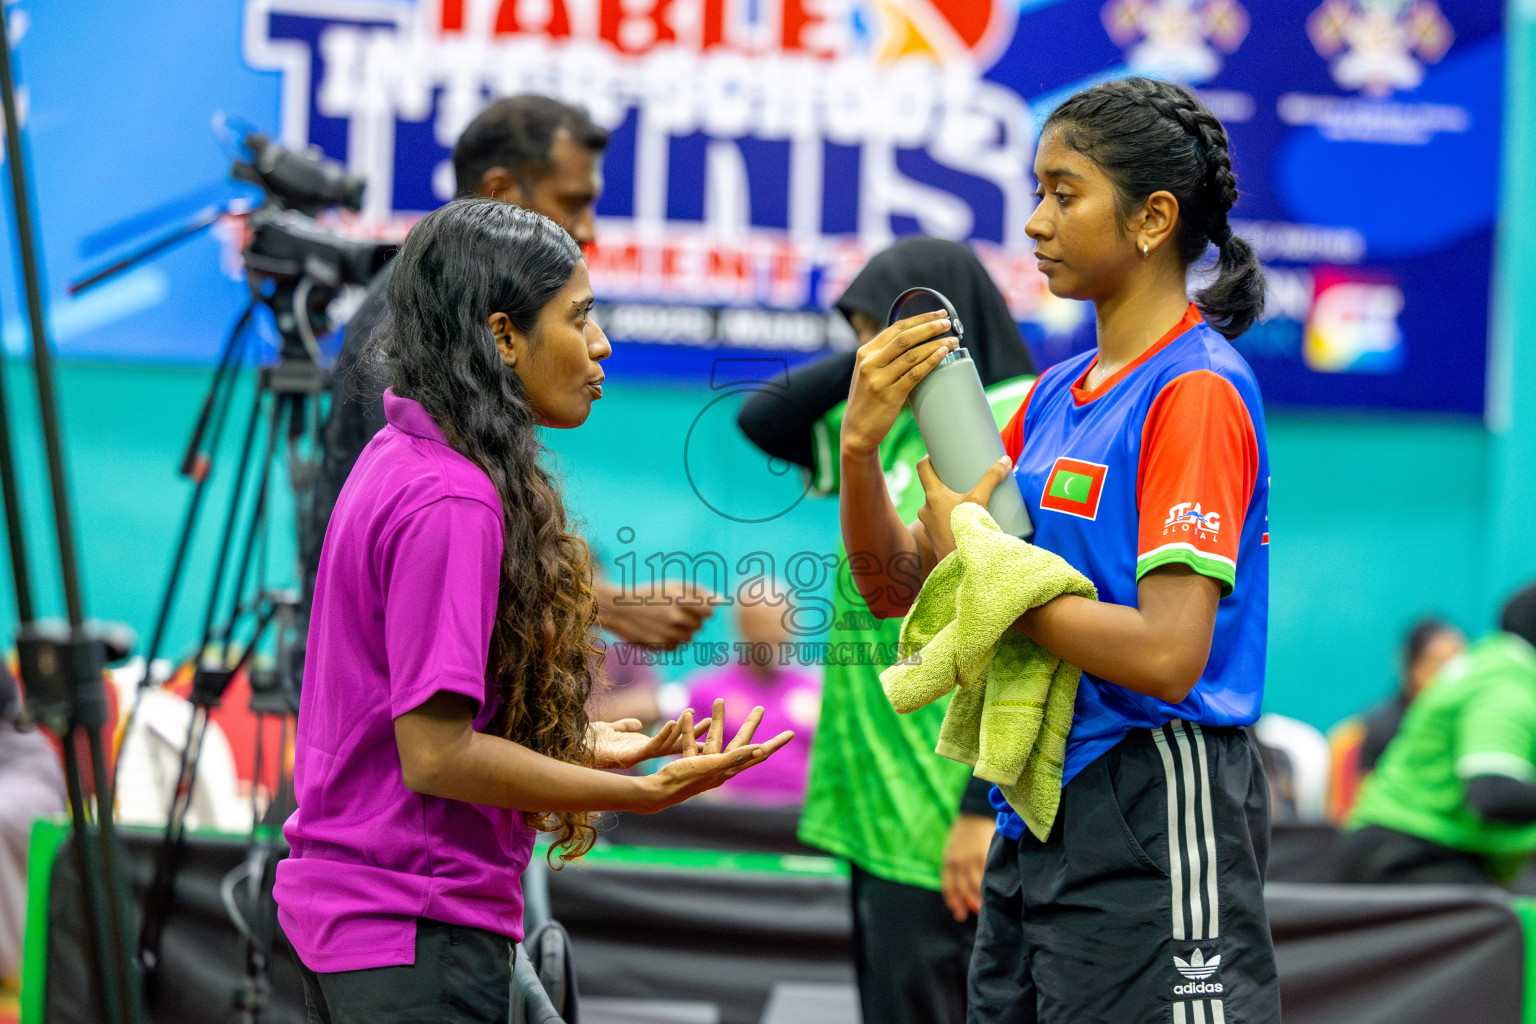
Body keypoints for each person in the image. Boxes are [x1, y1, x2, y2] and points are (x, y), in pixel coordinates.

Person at [274, 199, 792, 1024]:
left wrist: (586, 744)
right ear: (503, 336)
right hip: (411, 928)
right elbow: (436, 757)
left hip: (368, 920)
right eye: (579, 318)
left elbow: (403, 725)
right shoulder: (451, 498)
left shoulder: (401, 450)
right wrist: (640, 793)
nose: (602, 345)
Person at [837, 78, 1276, 1023]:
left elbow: (1168, 653)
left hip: (1156, 797)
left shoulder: (1195, 393)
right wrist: (862, 449)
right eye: (1037, 191)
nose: (1034, 221)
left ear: (1153, 218)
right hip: (1035, 808)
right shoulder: (1053, 394)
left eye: (1062, 193)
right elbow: (898, 589)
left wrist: (993, 572)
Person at [737, 236, 1035, 1024]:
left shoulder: (1006, 418)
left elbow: (1017, 624)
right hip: (877, 794)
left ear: (950, 326)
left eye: (887, 330)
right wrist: (878, 364)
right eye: (863, 334)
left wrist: (981, 808)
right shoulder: (890, 426)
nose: (871, 354)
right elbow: (761, 416)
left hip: (944, 808)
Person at [306, 94, 713, 657]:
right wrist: (603, 601)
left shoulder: (457, 355)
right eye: (572, 203)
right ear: (499, 193)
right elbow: (436, 747)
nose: (588, 228)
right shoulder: (414, 337)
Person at [1342, 584, 1536, 886]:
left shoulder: (1492, 665)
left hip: (1407, 848)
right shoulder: (1507, 684)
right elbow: (1492, 792)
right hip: (1407, 855)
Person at [683, 596, 821, 804]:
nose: (773, 633)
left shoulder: (815, 692)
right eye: (763, 623)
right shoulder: (708, 692)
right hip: (729, 819)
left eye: (781, 622)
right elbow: (688, 767)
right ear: (742, 626)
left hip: (799, 816)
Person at [1327, 618, 1465, 819]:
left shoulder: (1466, 724)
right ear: (1412, 667)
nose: (1451, 675)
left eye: (1459, 663)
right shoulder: (1378, 730)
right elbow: (1365, 810)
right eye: (1439, 664)